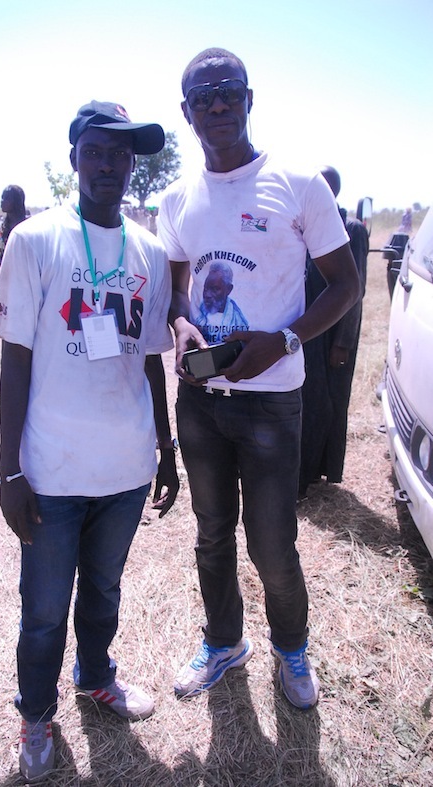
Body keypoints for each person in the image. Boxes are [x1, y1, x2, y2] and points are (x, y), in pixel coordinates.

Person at [157, 48, 360, 710]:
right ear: (186, 113)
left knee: (271, 543)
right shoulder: (176, 199)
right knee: (211, 532)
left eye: (228, 92)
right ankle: (223, 642)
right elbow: (176, 292)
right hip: (202, 402)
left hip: (272, 404)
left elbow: (345, 283)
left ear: (249, 99)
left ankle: (291, 650)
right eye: (203, 97)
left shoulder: (297, 184)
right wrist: (183, 328)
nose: (217, 105)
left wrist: (285, 339)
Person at [0, 100, 179, 782]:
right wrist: (10, 471)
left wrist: (166, 446)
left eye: (121, 154)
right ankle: (36, 713)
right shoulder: (35, 240)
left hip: (124, 469)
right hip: (52, 470)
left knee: (102, 589)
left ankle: (96, 676)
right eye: (96, 151)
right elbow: (14, 361)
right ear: (75, 157)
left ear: (133, 166)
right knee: (43, 610)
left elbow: (151, 356)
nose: (109, 165)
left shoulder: (149, 251)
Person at [299, 166, 369, 499]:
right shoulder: (305, 223)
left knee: (327, 402)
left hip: (334, 333)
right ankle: (307, 469)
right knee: (310, 400)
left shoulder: (351, 228)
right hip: (310, 326)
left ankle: (315, 470)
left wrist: (343, 342)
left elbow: (354, 290)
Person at [0, 184, 27, 263]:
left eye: (7, 198)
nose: (2, 201)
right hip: (4, 271)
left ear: (17, 202)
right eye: (2, 197)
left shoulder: (28, 226)